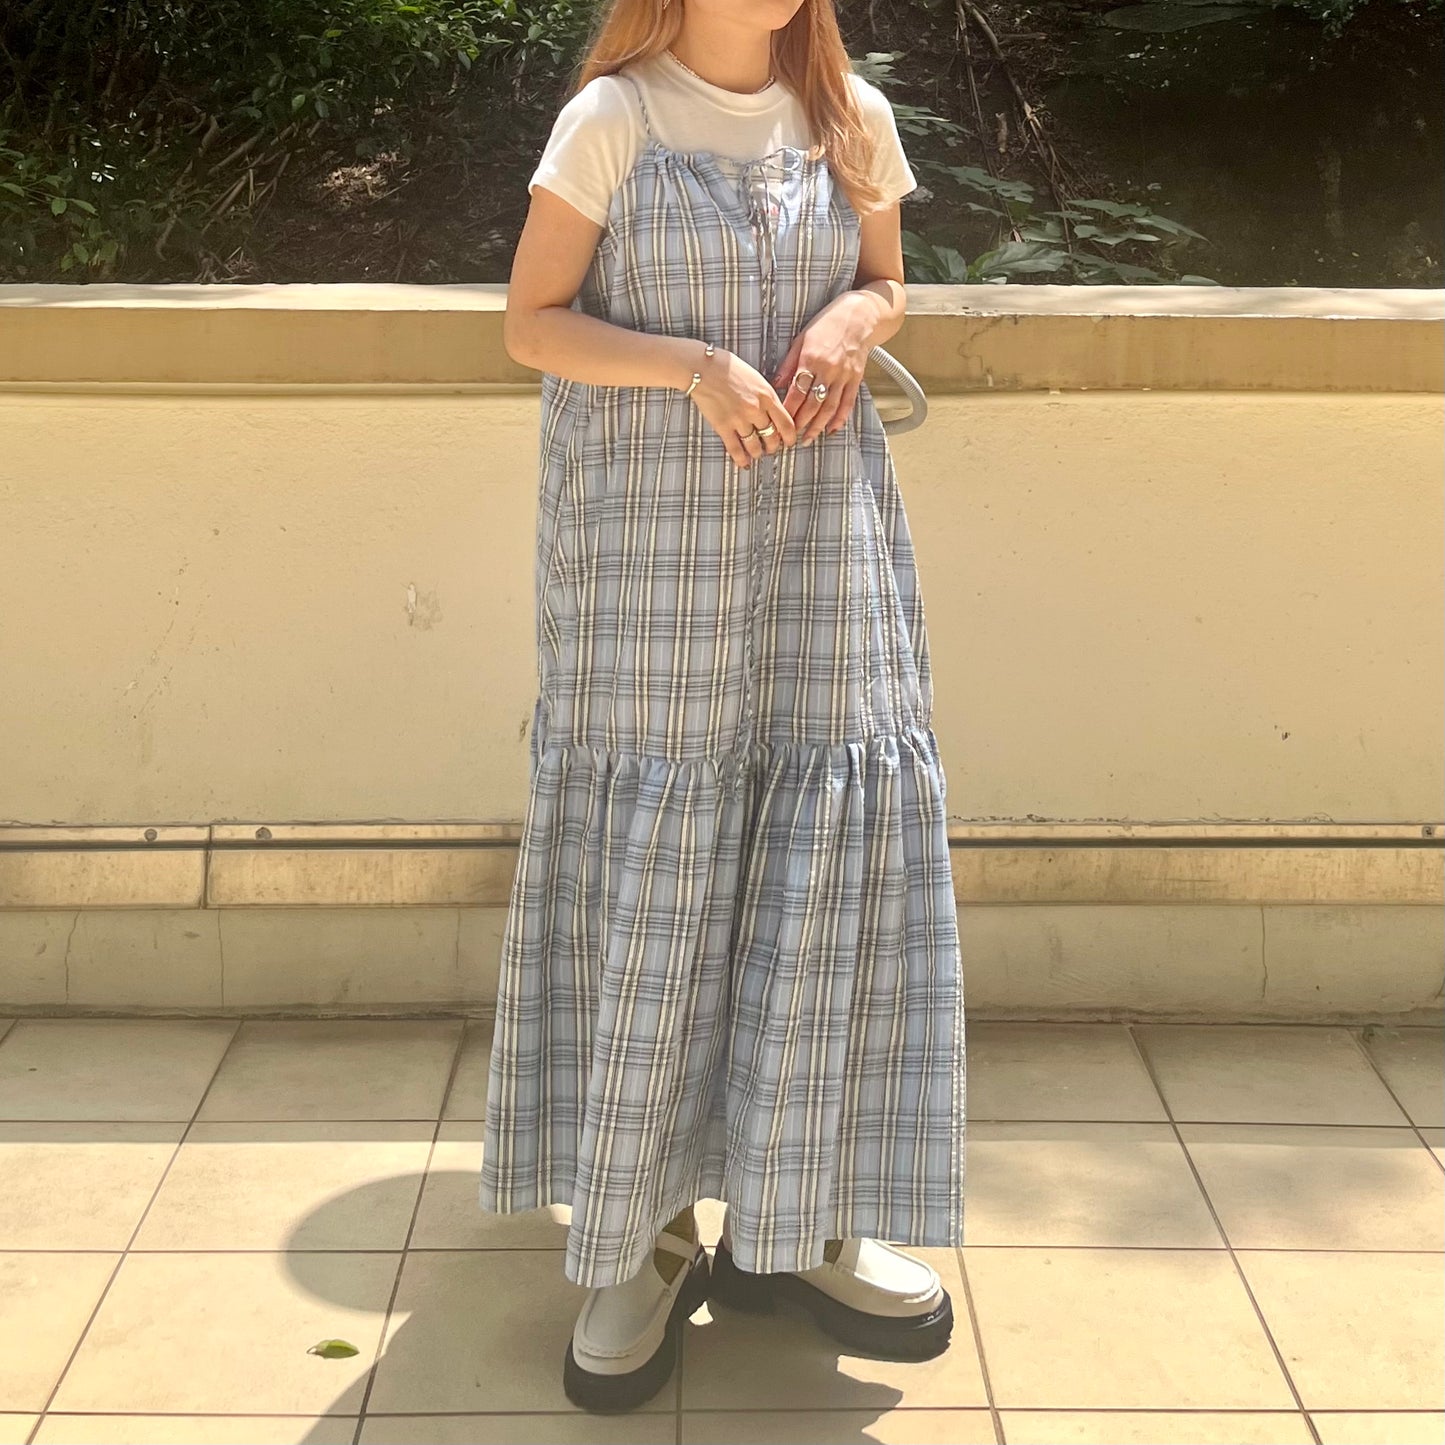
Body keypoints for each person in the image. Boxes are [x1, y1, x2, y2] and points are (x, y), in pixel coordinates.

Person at [481, 0, 966, 1414]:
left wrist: (851, 316)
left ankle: (795, 1218)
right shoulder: (613, 118)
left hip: (821, 537)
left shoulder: (850, 117)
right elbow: (530, 325)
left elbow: (889, 283)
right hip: (648, 552)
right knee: (657, 874)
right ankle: (635, 1234)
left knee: (818, 854)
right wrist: (690, 363)